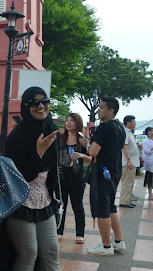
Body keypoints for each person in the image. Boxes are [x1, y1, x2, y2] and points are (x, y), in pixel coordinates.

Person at [0, 87, 86, 271]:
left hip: (45, 202)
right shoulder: (16, 137)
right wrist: (38, 152)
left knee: (51, 252)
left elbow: (53, 169)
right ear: (26, 106)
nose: (41, 106)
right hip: (20, 203)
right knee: (28, 253)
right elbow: (16, 178)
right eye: (34, 102)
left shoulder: (51, 130)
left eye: (44, 101)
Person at [87, 97, 127, 256]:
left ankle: (105, 246)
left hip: (102, 172)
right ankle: (118, 241)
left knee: (102, 207)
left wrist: (86, 144)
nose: (98, 110)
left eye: (102, 107)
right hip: (114, 171)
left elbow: (92, 152)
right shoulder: (120, 127)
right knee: (110, 206)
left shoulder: (104, 127)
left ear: (111, 111)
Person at [57, 113, 91, 243]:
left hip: (77, 176)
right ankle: (58, 231)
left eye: (72, 120)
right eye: (67, 120)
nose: (68, 123)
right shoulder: (60, 138)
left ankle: (80, 234)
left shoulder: (82, 140)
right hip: (61, 175)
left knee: (77, 205)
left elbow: (92, 158)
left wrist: (82, 155)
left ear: (78, 123)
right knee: (61, 204)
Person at [119, 115, 139, 208]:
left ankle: (128, 200)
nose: (135, 123)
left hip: (133, 161)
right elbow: (124, 147)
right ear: (128, 122)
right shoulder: (125, 133)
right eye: (133, 121)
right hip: (128, 162)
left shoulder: (130, 132)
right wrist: (129, 161)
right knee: (127, 182)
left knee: (130, 182)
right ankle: (124, 201)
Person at [142, 127, 153, 201]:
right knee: (150, 179)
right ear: (147, 133)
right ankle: (150, 194)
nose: (152, 132)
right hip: (149, 163)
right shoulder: (146, 141)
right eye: (151, 131)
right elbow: (147, 151)